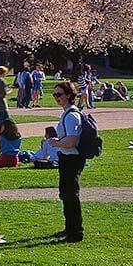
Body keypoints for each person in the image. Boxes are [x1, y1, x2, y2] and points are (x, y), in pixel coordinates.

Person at [52, 81, 88, 242]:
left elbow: (72, 141)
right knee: (66, 194)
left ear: (69, 95)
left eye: (59, 94)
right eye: (54, 95)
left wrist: (56, 143)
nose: (56, 98)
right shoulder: (67, 113)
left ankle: (75, 233)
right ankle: (69, 228)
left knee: (70, 195)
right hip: (67, 157)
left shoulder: (71, 115)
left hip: (72, 158)